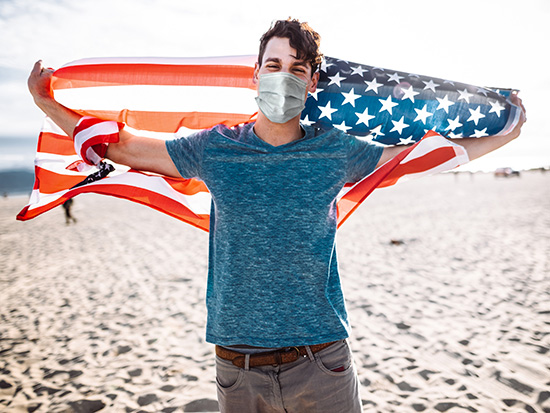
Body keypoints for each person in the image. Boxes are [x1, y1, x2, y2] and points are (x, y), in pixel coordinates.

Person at [28, 18, 526, 413]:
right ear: (255, 75)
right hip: (237, 368)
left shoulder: (336, 151)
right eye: (273, 65)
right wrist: (46, 103)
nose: (283, 77)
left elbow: (425, 157)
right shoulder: (216, 148)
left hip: (322, 363)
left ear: (311, 82)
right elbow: (128, 147)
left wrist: (503, 135)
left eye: (297, 68)